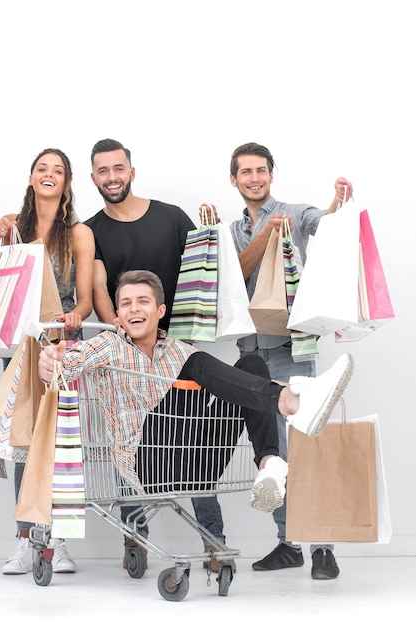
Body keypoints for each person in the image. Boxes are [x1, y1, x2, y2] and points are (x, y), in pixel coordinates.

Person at [38, 270, 355, 540]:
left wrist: (296, 385)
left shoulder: (179, 350)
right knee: (195, 365)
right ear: (118, 315)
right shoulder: (107, 346)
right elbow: (67, 363)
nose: (134, 309)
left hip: (199, 462)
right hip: (148, 465)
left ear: (160, 310)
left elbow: (235, 383)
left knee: (251, 365)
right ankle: (290, 403)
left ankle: (270, 462)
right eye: (126, 303)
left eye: (143, 301)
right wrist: (50, 362)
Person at [203, 141, 353, 580]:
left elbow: (326, 228)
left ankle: (323, 547)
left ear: (271, 174)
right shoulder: (231, 231)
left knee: (308, 444)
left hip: (292, 349)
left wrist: (337, 203)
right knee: (272, 453)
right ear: (234, 179)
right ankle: (288, 542)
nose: (254, 178)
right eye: (245, 172)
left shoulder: (293, 211)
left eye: (261, 170)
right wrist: (247, 234)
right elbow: (235, 272)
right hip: (251, 355)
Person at [85, 138, 230, 570]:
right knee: (124, 438)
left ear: (132, 171)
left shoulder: (171, 218)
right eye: (102, 171)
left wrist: (212, 234)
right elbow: (97, 290)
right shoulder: (92, 230)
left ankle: (212, 540)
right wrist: (121, 336)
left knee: (194, 440)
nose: (111, 177)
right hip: (127, 354)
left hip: (179, 351)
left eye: (118, 169)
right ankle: (135, 536)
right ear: (93, 177)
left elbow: (207, 265)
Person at [0, 148, 95, 576]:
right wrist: (2, 236)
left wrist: (75, 315)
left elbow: (87, 300)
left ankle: (59, 541)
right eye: (42, 169)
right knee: (22, 446)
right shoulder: (12, 229)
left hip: (61, 348)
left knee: (60, 445)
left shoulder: (79, 233)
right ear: (32, 178)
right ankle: (26, 539)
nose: (49, 175)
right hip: (22, 349)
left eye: (58, 170)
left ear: (67, 183)